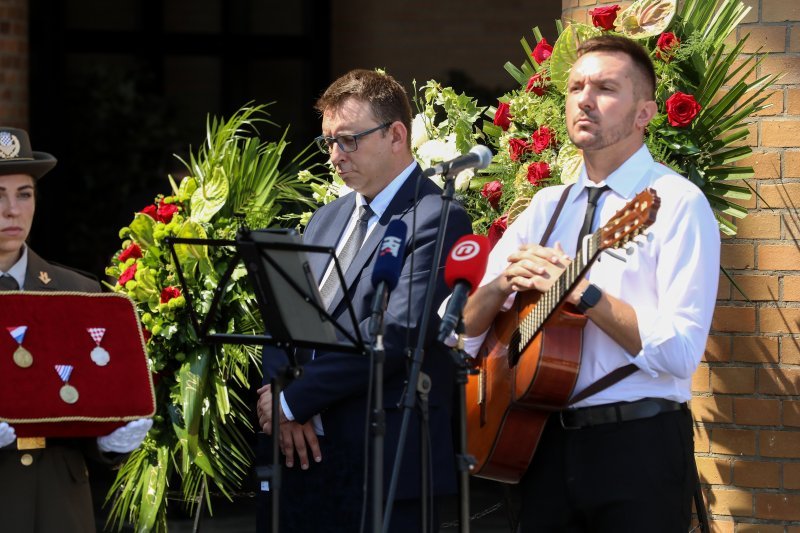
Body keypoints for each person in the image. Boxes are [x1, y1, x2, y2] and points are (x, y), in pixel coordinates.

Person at [461, 35, 720, 532]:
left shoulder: (676, 203)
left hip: (636, 445)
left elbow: (682, 354)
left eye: (605, 88)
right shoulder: (546, 206)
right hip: (540, 443)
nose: (584, 98)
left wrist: (585, 292)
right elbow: (463, 336)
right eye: (576, 86)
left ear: (644, 113)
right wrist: (497, 288)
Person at [256, 69, 471, 532]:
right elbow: (285, 317)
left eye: (348, 140)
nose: (335, 155)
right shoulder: (325, 220)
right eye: (328, 142)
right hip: (301, 456)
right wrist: (282, 399)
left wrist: (296, 401)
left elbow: (396, 332)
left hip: (384, 458)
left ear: (396, 135)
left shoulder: (437, 217)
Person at [0, 127, 152, 533]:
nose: (12, 210)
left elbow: (84, 399)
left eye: (24, 194)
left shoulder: (77, 292)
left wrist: (108, 439)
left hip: (58, 504)